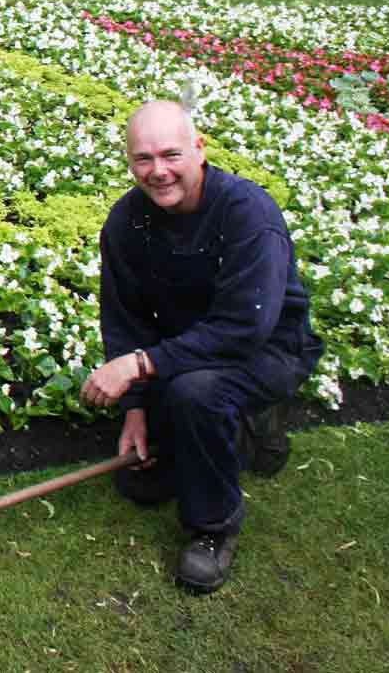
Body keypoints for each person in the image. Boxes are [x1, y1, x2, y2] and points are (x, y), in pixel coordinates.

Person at [80, 100, 322, 594]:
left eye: (171, 154)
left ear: (199, 149)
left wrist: (142, 365)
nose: (158, 171)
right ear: (129, 161)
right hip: (189, 349)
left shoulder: (247, 212)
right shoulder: (127, 222)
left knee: (198, 393)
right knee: (142, 484)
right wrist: (136, 411)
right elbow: (124, 320)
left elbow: (243, 329)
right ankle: (236, 432)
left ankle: (213, 528)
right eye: (143, 158)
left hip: (268, 348)